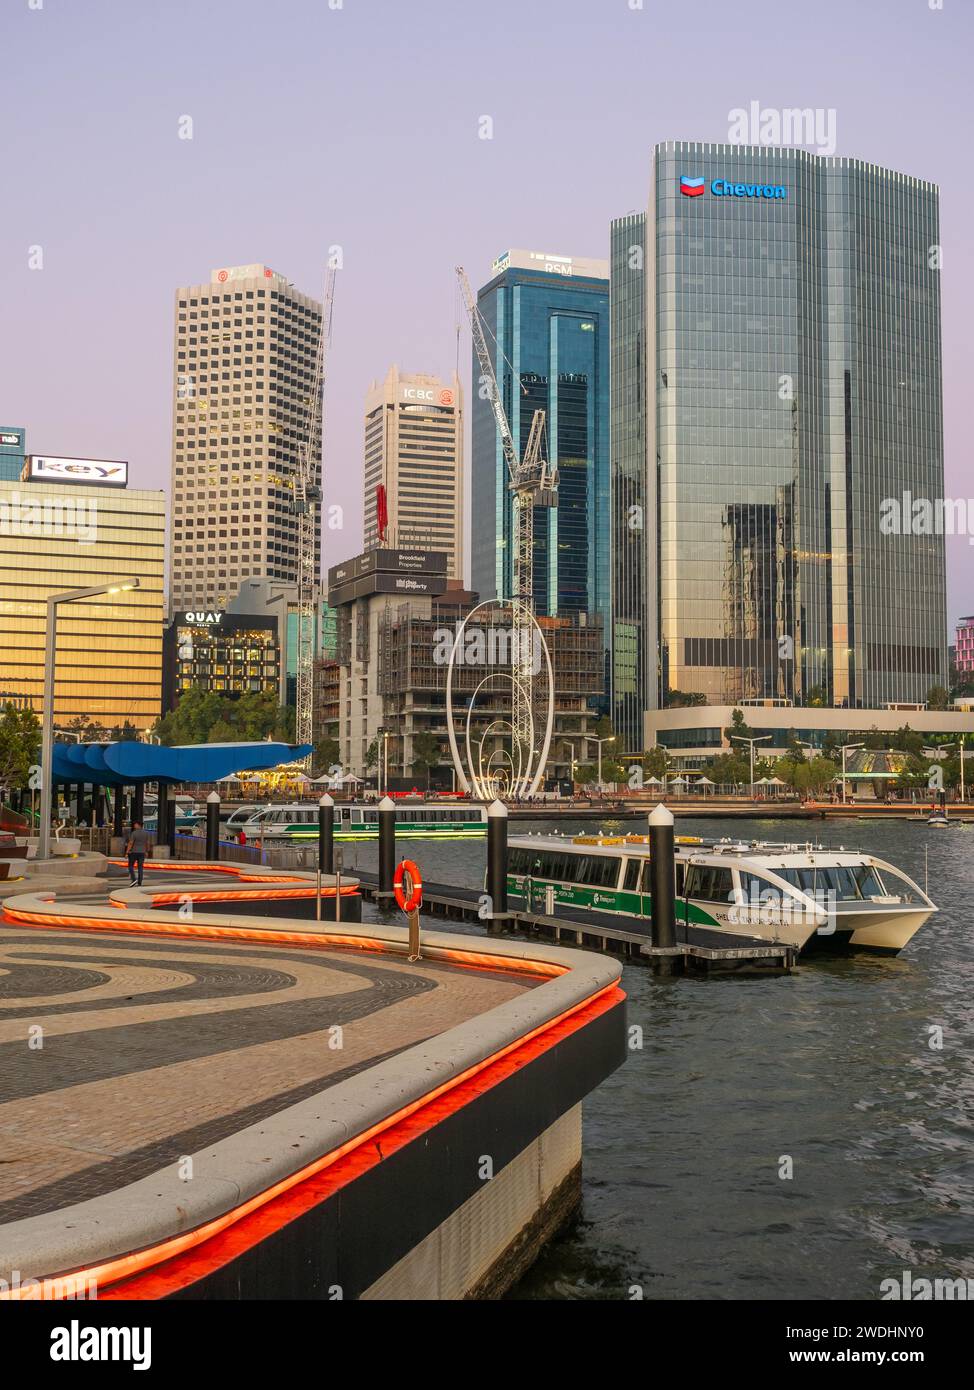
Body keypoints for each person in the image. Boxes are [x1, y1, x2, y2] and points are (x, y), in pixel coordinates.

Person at [126, 820, 149, 886]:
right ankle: (140, 882)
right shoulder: (146, 833)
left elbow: (131, 843)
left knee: (130, 866)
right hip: (142, 852)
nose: (134, 825)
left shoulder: (134, 833)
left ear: (138, 825)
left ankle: (133, 879)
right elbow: (147, 843)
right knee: (140, 867)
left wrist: (127, 852)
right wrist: (146, 851)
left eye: (135, 824)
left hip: (134, 852)